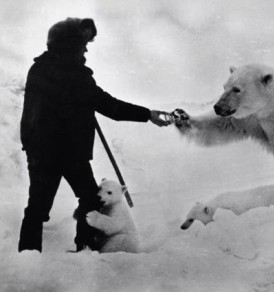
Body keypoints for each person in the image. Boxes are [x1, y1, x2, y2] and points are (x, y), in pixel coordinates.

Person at [18, 18, 171, 252]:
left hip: (43, 152)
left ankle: (28, 258)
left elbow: (34, 112)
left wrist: (31, 146)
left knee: (38, 207)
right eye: (83, 44)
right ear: (70, 45)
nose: (87, 49)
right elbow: (111, 107)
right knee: (89, 199)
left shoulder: (40, 69)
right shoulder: (76, 75)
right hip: (68, 154)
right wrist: (147, 114)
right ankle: (85, 248)